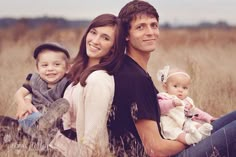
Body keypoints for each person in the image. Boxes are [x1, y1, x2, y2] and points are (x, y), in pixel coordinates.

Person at [107, 0, 236, 157]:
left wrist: (200, 125)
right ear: (126, 35)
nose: (150, 32)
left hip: (175, 137)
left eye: (153, 25)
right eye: (140, 27)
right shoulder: (133, 78)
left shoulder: (134, 69)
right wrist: (193, 139)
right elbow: (155, 150)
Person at [49, 13, 125, 157]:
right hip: (62, 144)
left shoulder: (99, 80)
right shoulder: (78, 69)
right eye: (93, 32)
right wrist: (23, 100)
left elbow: (92, 139)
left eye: (105, 38)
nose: (95, 41)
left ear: (113, 48)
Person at [14, 42, 71, 136]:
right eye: (45, 65)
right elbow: (19, 93)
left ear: (67, 68)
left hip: (55, 123)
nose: (50, 69)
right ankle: (25, 130)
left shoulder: (67, 83)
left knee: (63, 103)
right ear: (37, 68)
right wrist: (22, 104)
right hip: (34, 115)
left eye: (56, 64)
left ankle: (44, 125)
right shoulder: (34, 79)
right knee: (27, 117)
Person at [157, 65, 215, 145]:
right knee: (176, 133)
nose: (180, 90)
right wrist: (172, 103)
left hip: (185, 124)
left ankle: (202, 132)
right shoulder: (164, 97)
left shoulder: (186, 101)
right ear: (165, 87)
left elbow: (196, 112)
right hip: (170, 125)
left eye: (184, 88)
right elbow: (159, 108)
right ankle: (189, 139)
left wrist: (208, 117)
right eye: (175, 86)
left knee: (194, 125)